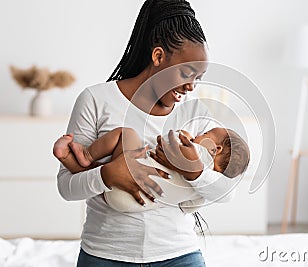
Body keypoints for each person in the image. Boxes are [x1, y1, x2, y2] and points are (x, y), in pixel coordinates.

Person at [56, 0, 240, 266]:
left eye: (198, 78)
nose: (191, 87)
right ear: (157, 57)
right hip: (106, 254)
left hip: (179, 254)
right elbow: (66, 187)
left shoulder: (196, 114)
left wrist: (195, 172)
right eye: (186, 73)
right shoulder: (97, 99)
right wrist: (107, 175)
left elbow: (228, 191)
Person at [54, 127, 250, 213]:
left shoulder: (197, 152)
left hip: (125, 179)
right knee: (109, 170)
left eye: (205, 134)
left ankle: (86, 155)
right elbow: (188, 207)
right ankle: (68, 158)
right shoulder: (203, 191)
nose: (199, 134)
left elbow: (164, 141)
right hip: (134, 204)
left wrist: (184, 137)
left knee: (126, 134)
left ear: (216, 149)